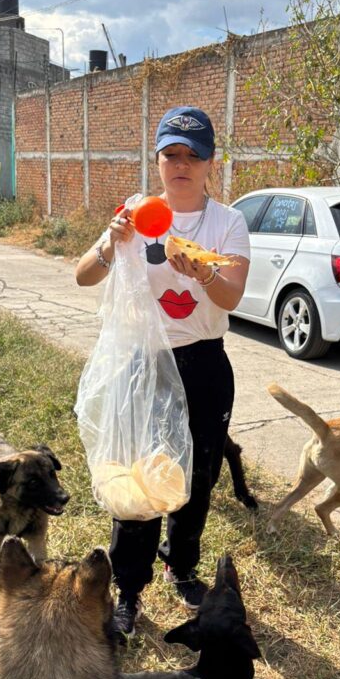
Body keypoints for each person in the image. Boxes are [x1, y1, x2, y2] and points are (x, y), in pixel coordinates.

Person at [75, 105, 251, 638]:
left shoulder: (228, 224)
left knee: (196, 476)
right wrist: (110, 243)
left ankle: (182, 563)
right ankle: (129, 587)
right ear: (157, 160)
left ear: (210, 163)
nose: (182, 164)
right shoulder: (136, 211)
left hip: (203, 361)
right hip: (145, 363)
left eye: (193, 155)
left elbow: (233, 294)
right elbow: (83, 276)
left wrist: (202, 275)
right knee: (141, 477)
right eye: (171, 154)